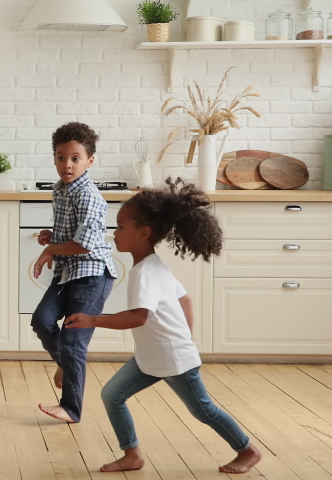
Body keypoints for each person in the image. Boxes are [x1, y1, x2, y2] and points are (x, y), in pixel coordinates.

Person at [65, 179, 262, 474]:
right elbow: (186, 301)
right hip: (151, 358)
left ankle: (248, 450)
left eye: (120, 226)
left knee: (203, 410)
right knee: (112, 395)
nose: (114, 233)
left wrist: (93, 320)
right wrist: (185, 336)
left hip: (173, 360)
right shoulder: (154, 266)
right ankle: (132, 455)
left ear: (143, 232)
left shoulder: (145, 273)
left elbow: (138, 316)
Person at [32, 122, 116, 424]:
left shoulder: (88, 196)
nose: (66, 164)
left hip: (92, 275)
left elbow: (83, 244)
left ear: (89, 161)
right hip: (69, 272)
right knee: (41, 321)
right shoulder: (62, 190)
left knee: (73, 341)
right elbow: (71, 233)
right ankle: (66, 365)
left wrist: (50, 250)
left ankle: (71, 408)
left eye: (75, 158)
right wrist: (51, 236)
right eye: (60, 157)